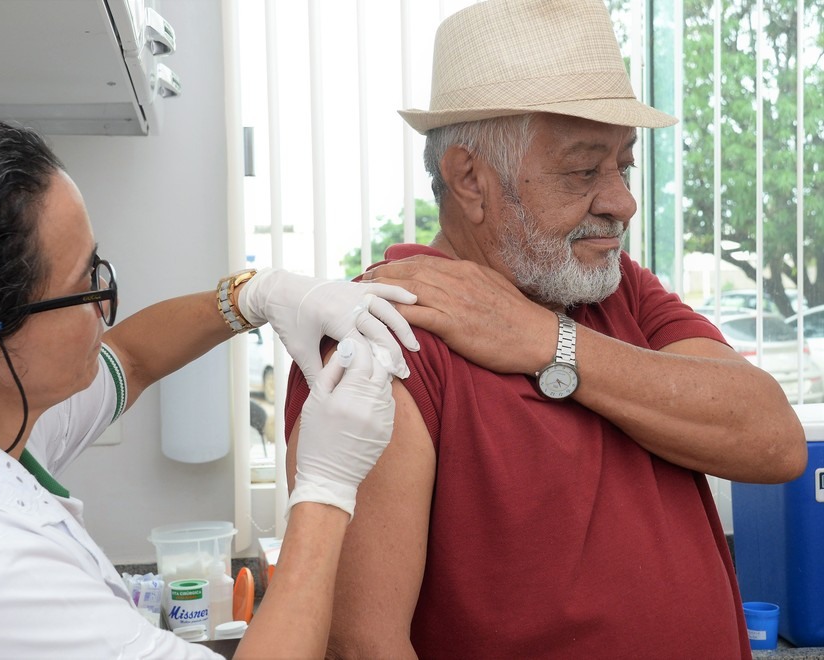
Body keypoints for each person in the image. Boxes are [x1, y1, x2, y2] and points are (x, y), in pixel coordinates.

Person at [284, 1, 808, 657]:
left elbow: (774, 440)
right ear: (470, 178)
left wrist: (545, 342)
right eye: (585, 170)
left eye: (625, 165)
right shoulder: (385, 331)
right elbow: (363, 645)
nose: (622, 201)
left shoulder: (617, 290)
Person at [0, 111, 419, 659]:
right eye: (84, 285)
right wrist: (326, 489)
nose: (106, 302)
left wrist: (253, 295)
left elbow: (133, 360)